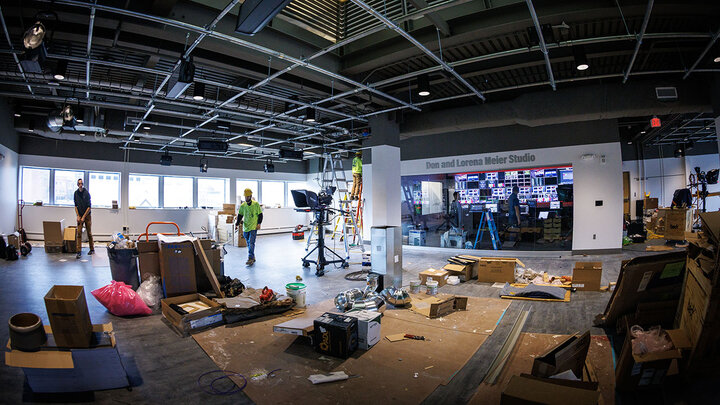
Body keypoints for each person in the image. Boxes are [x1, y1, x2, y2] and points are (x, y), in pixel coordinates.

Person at [236, 188, 263, 266]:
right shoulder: (243, 205)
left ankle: (250, 258)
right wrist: (237, 224)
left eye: (248, 196)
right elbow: (240, 215)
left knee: (251, 242)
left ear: (251, 196)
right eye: (245, 197)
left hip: (253, 226)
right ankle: (253, 256)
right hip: (246, 227)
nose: (246, 198)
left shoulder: (256, 204)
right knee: (248, 242)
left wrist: (259, 223)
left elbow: (260, 215)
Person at [74, 178, 94, 259]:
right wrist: (78, 216)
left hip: (87, 216)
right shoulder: (76, 193)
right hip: (80, 216)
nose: (80, 185)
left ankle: (92, 249)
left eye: (81, 183)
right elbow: (75, 206)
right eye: (79, 184)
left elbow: (89, 207)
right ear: (77, 185)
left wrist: (83, 217)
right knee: (78, 233)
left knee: (89, 233)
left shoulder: (86, 193)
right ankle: (78, 251)